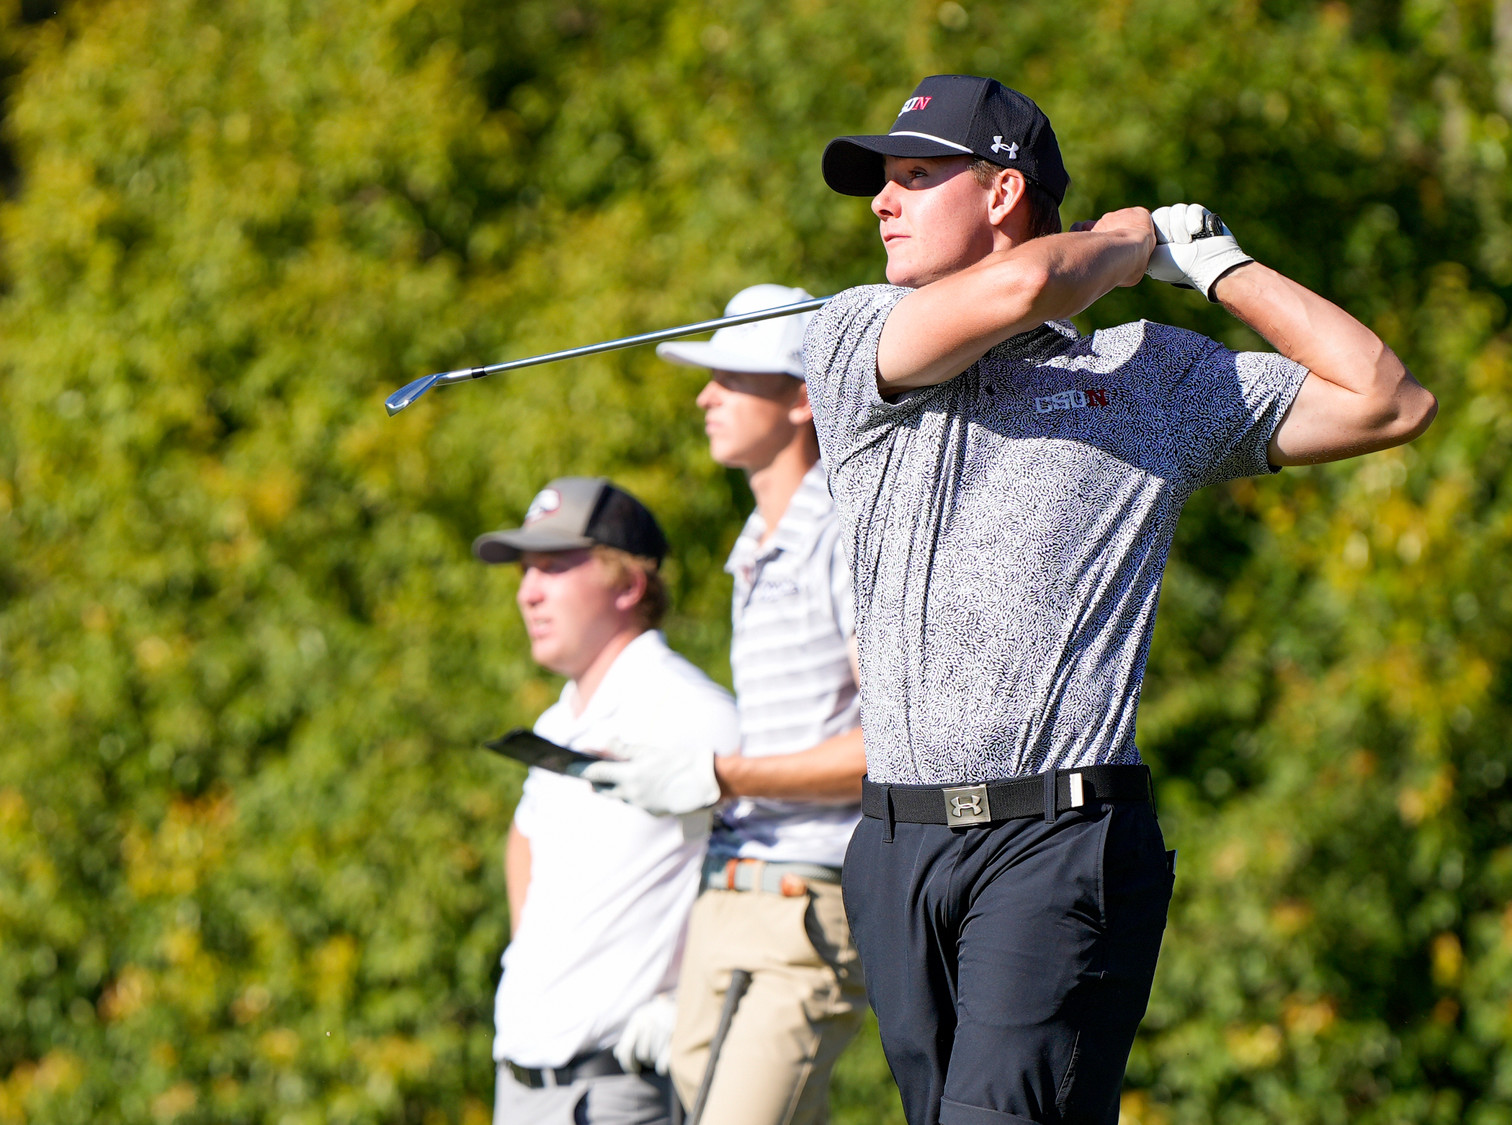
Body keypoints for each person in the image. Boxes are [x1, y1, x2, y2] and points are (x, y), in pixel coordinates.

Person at [799, 74, 1436, 1125]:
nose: (881, 202)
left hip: (1057, 843)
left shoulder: (1151, 378)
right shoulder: (854, 333)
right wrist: (1127, 244)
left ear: (1002, 194)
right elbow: (1016, 294)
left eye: (915, 178)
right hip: (896, 848)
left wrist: (1223, 270)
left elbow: (1387, 397)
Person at [585, 285, 869, 1125]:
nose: (705, 396)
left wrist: (718, 774)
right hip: (729, 901)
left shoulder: (846, 532)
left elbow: (894, 746)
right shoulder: (753, 547)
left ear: (803, 398)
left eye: (733, 378)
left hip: (806, 903)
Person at [477, 477, 739, 1125]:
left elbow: (785, 856)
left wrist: (692, 996)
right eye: (526, 570)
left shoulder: (692, 713)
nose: (527, 590)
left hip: (612, 1095)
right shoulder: (561, 717)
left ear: (628, 585)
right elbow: (525, 837)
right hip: (521, 1084)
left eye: (555, 566)